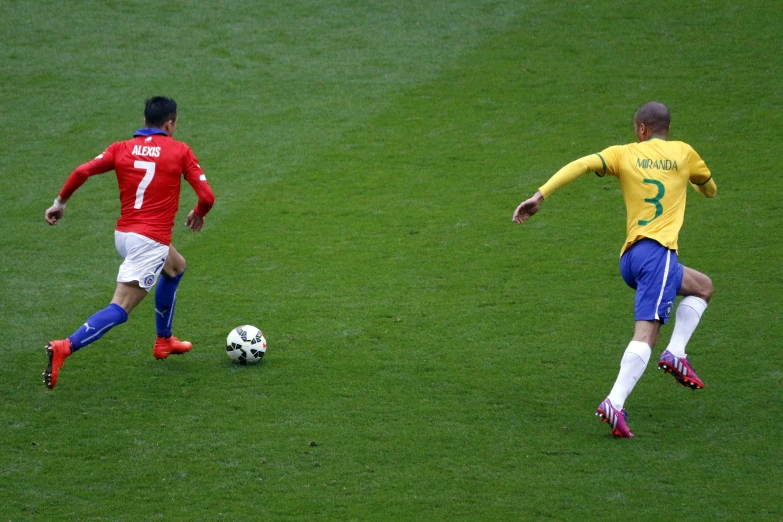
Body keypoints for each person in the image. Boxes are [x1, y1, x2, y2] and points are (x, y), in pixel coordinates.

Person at [512, 102, 716, 438]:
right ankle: (615, 402)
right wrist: (690, 180)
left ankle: (677, 352)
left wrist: (540, 196)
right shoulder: (685, 153)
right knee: (646, 333)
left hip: (632, 258)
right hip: (659, 255)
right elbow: (709, 190)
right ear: (666, 128)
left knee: (703, 286)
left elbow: (581, 164)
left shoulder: (624, 154)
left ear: (640, 129)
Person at [43, 96, 215, 390]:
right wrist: (198, 213)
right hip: (150, 242)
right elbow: (207, 197)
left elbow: (83, 171)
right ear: (169, 124)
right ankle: (65, 346)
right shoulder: (180, 150)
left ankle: (164, 341)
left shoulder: (120, 148)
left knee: (175, 268)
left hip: (125, 236)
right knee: (121, 307)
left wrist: (60, 203)